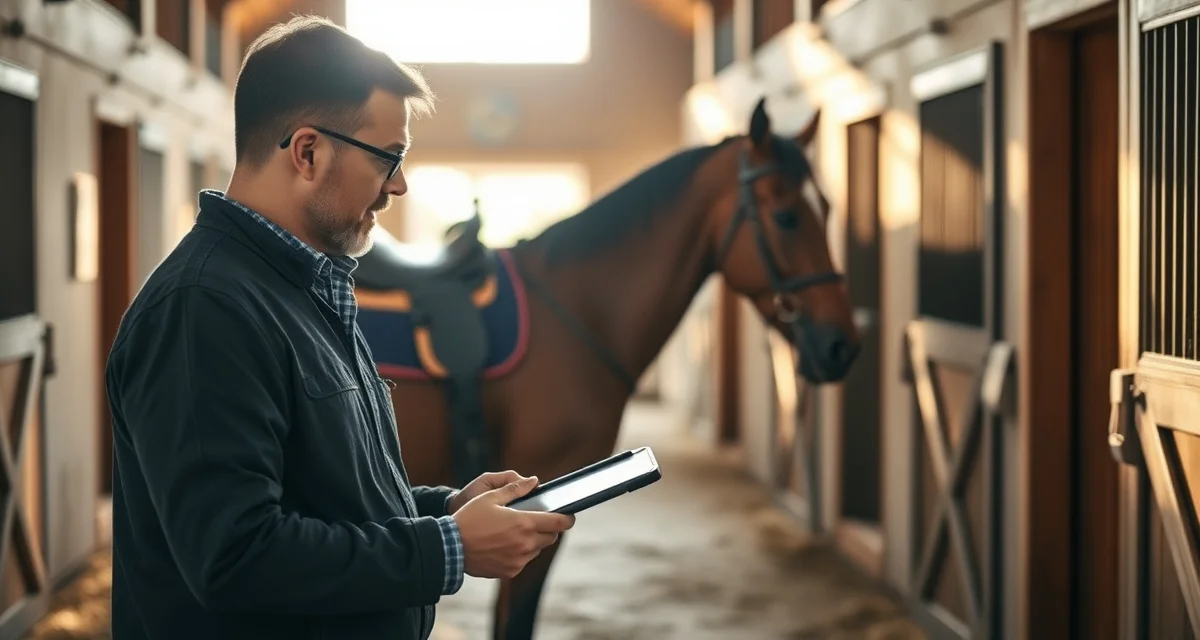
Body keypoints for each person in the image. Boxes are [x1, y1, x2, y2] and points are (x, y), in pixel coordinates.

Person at [104, 15, 574, 640]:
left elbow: (324, 497)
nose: (400, 184)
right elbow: (236, 557)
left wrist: (441, 511)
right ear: (307, 152)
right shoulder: (203, 310)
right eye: (391, 157)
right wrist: (446, 551)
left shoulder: (304, 286)